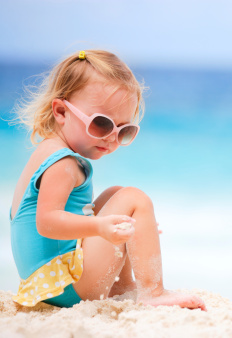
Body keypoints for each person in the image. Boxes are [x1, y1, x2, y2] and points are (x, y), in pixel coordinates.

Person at [9, 50, 206, 311]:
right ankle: (153, 292)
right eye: (101, 124)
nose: (112, 139)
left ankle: (121, 287)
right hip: (63, 286)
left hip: (48, 283)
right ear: (61, 111)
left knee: (115, 194)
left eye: (124, 130)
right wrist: (100, 227)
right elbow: (47, 223)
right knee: (134, 198)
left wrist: (113, 226)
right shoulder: (62, 163)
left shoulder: (50, 150)